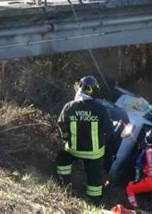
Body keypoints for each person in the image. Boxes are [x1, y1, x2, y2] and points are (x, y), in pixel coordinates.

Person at [55, 75, 112, 205]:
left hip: (73, 150)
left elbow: (62, 125)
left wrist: (66, 138)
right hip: (94, 153)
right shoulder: (101, 109)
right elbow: (109, 130)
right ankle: (94, 204)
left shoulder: (69, 106)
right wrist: (103, 141)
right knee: (94, 179)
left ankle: (64, 185)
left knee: (62, 159)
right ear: (94, 90)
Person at [126, 130, 152, 210]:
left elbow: (137, 163)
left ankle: (135, 208)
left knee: (129, 188)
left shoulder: (148, 152)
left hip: (150, 181)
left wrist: (140, 151)